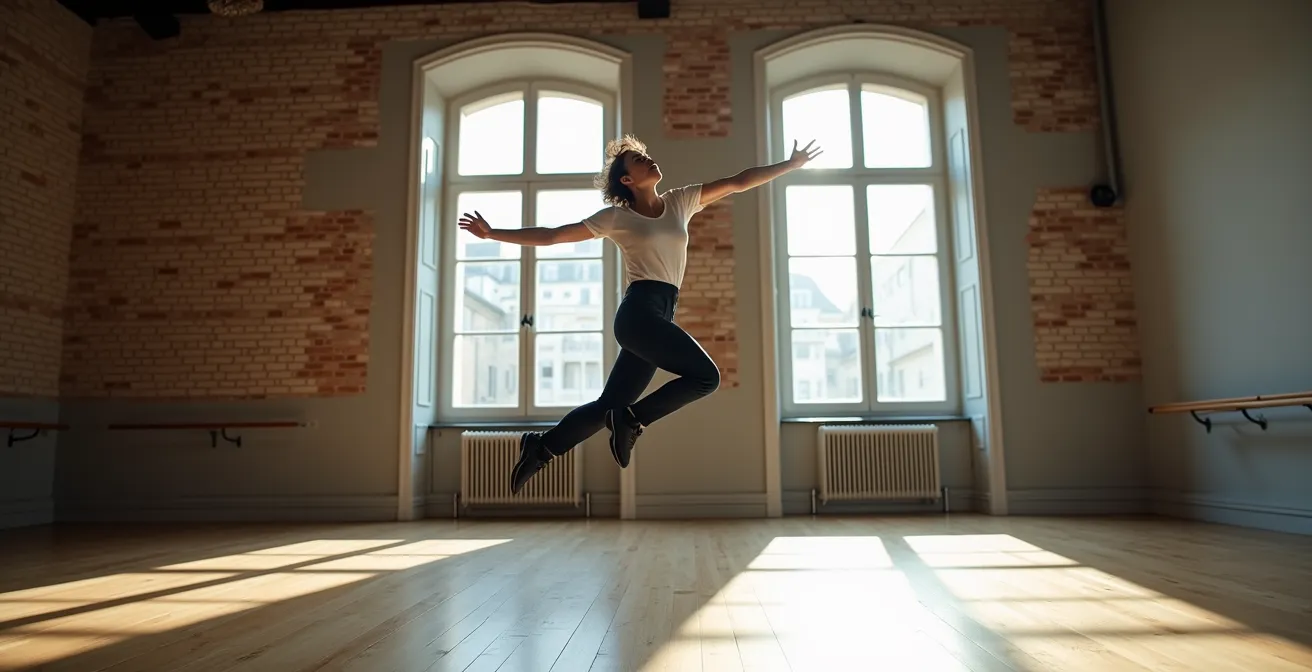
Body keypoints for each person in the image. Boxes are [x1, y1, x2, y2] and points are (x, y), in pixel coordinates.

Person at [458, 135, 823, 494]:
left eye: (646, 156)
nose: (649, 160)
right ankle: (632, 421)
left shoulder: (681, 201)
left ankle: (543, 446)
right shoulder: (616, 218)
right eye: (638, 160)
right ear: (627, 180)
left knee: (609, 405)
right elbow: (554, 235)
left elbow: (739, 182)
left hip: (661, 314)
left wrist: (789, 166)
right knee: (705, 377)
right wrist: (492, 235)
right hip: (638, 314)